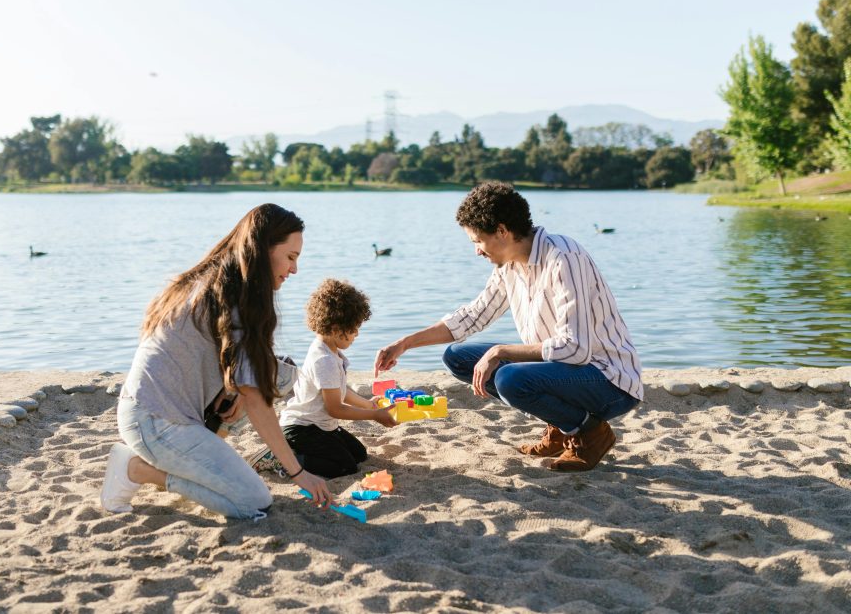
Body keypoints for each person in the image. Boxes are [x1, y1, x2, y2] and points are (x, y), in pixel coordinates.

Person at [374, 182, 642, 472]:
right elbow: (472, 316)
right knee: (458, 357)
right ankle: (560, 425)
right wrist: (405, 343)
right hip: (565, 371)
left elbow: (575, 349)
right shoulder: (508, 265)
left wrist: (501, 351)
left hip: (608, 380)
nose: (477, 251)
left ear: (502, 231)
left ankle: (589, 432)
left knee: (510, 379)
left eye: (478, 241)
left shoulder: (563, 258)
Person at [100, 204, 332, 520]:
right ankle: (137, 469)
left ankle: (200, 453)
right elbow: (255, 398)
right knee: (254, 502)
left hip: (162, 412)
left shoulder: (222, 279)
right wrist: (298, 473)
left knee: (279, 374)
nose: (294, 269)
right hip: (154, 421)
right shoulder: (232, 295)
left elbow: (245, 372)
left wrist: (235, 391)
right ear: (263, 249)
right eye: (290, 257)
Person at [251, 279, 397, 479]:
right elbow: (335, 408)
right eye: (354, 328)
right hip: (302, 428)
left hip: (320, 426)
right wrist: (374, 416)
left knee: (358, 455)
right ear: (337, 329)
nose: (357, 334)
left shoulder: (330, 350)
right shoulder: (324, 359)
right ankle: (284, 459)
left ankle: (296, 454)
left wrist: (368, 405)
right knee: (345, 467)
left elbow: (340, 390)